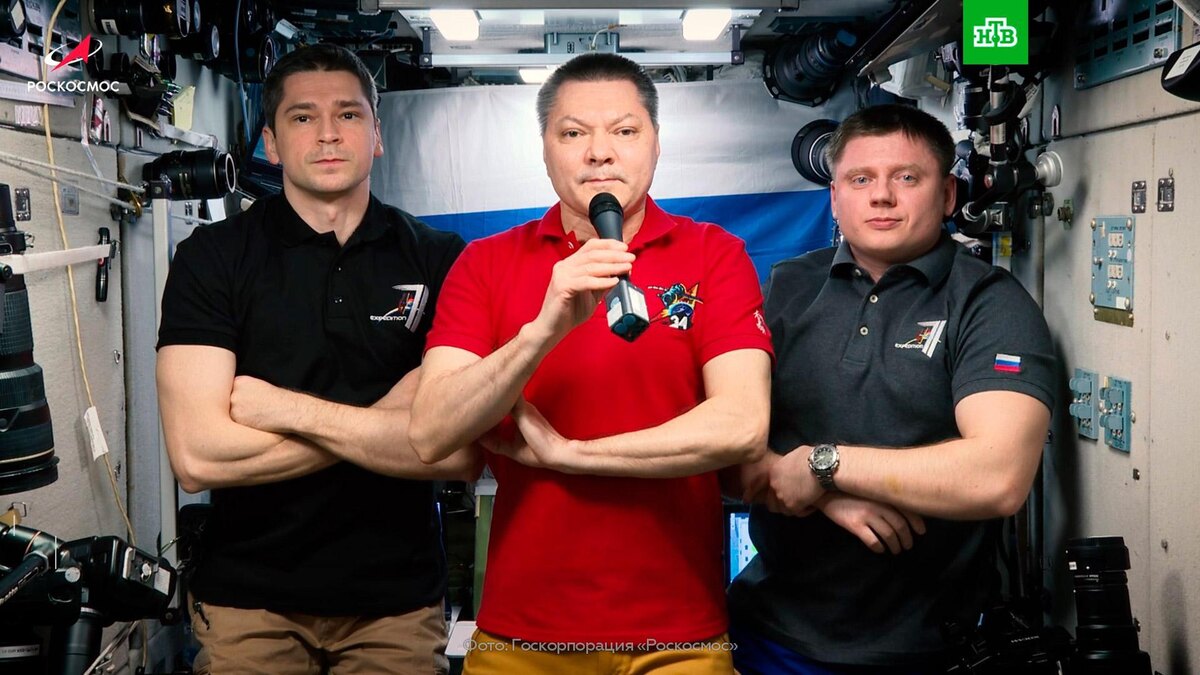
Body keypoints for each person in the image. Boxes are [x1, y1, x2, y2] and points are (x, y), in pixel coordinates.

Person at [408, 52, 773, 674]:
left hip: (679, 636)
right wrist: (542, 331)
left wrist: (571, 455)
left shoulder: (715, 254)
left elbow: (741, 426)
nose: (600, 153)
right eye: (573, 133)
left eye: (624, 131)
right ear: (545, 150)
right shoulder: (485, 264)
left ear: (655, 142)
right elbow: (430, 433)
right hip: (522, 637)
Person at [156, 43, 478, 674]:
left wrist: (283, 409)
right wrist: (389, 423)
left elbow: (459, 453)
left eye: (348, 114)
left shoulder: (440, 258)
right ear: (272, 144)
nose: (328, 134)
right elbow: (197, 458)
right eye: (303, 117)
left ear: (377, 135)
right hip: (249, 602)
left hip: (396, 603)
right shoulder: (212, 258)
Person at [726, 104, 1057, 673]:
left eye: (906, 177)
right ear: (835, 198)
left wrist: (823, 465)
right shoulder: (784, 288)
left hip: (928, 651)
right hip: (769, 639)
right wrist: (825, 493)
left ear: (947, 195)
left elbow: (998, 477)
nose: (881, 196)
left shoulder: (989, 303)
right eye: (860, 180)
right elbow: (720, 452)